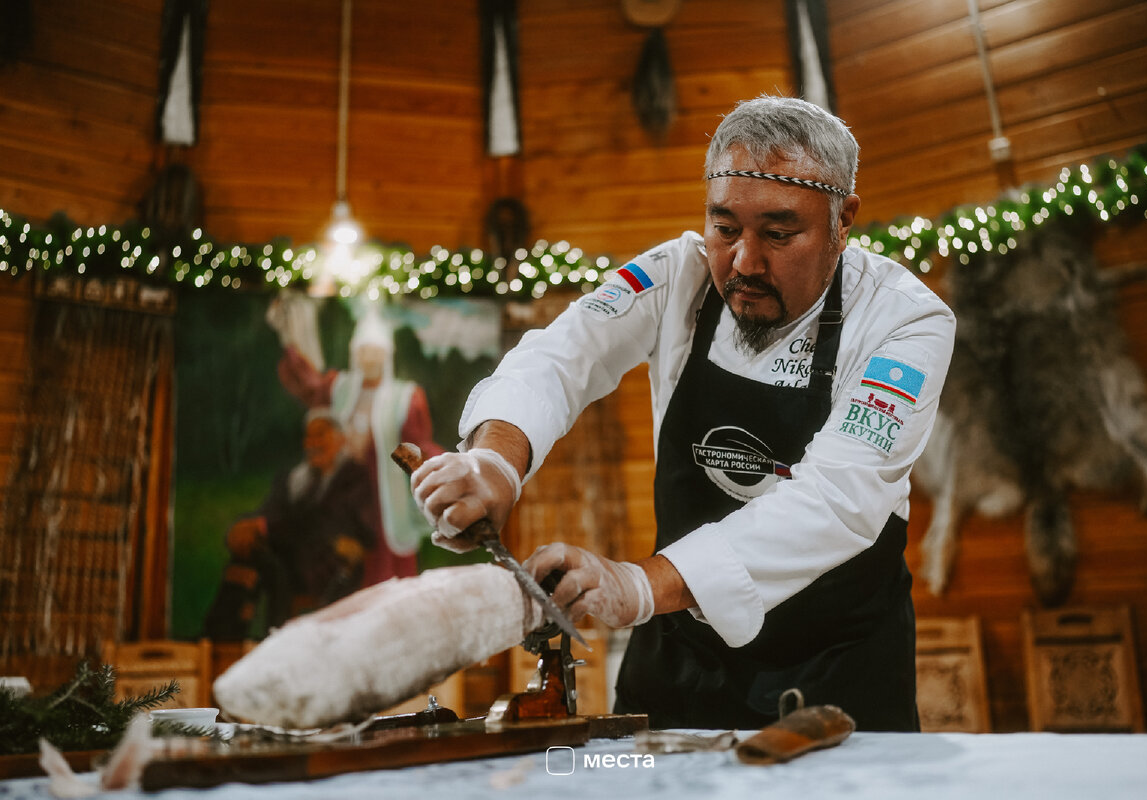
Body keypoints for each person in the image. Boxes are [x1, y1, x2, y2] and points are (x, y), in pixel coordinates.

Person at [410, 96, 956, 731]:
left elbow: (839, 497)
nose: (745, 263)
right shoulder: (676, 276)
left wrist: (639, 586)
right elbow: (562, 356)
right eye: (726, 229)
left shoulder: (905, 322)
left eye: (779, 234)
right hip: (679, 662)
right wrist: (494, 462)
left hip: (840, 672)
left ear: (843, 221)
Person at [278, 310, 444, 583]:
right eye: (364, 350)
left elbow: (417, 445)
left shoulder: (404, 397)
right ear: (355, 353)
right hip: (345, 493)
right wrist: (292, 343)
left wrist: (442, 466)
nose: (369, 358)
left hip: (385, 497)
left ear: (386, 355)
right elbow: (308, 388)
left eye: (376, 351)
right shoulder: (337, 388)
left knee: (387, 571)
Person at [204, 409, 376, 640]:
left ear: (340, 439)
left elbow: (325, 523)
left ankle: (245, 638)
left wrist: (264, 528)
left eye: (320, 435)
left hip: (331, 564)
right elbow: (270, 511)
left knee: (266, 564)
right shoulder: (296, 479)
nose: (312, 443)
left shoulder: (353, 477)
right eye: (308, 437)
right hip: (291, 557)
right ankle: (223, 638)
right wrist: (242, 527)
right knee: (250, 559)